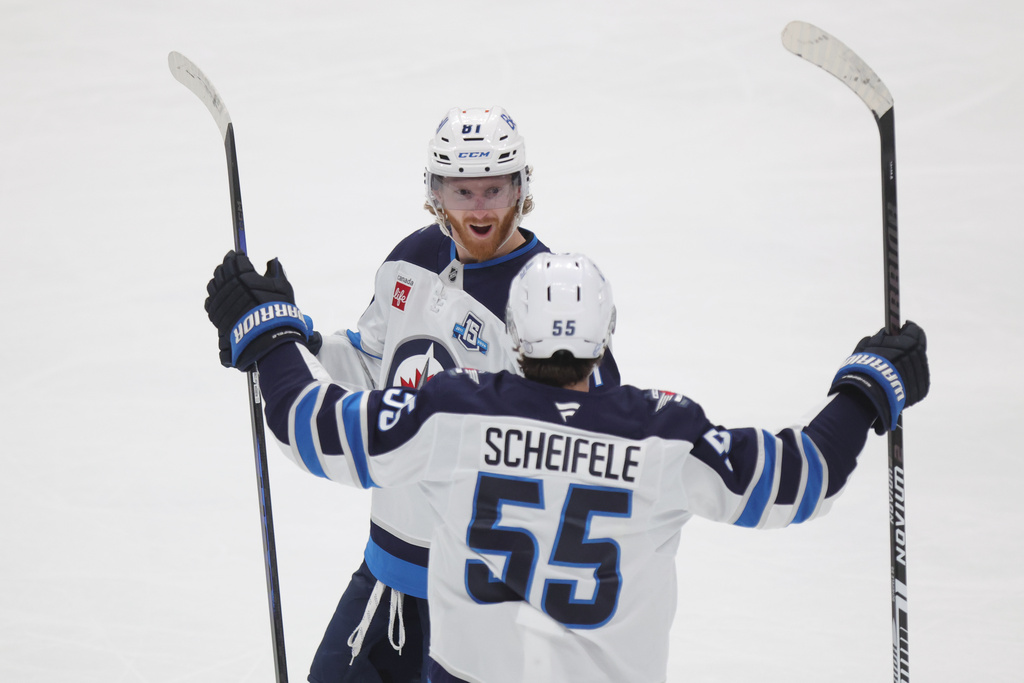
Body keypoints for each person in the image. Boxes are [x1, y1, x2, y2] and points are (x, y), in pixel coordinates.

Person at [204, 250, 930, 682]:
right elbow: (803, 474)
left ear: (513, 334)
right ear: (606, 336)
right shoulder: (663, 434)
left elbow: (310, 425)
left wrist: (267, 335)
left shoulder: (448, 414)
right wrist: (868, 388)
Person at [223, 107, 619, 682]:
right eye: (462, 191)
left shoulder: (548, 299)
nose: (480, 209)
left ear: (521, 188)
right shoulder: (409, 260)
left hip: (485, 607)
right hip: (387, 576)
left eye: (495, 189)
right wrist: (292, 338)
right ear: (434, 192)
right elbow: (371, 364)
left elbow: (594, 439)